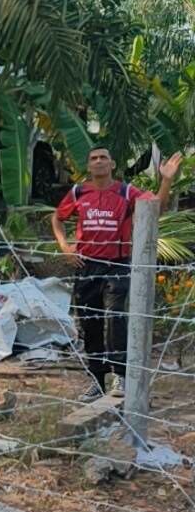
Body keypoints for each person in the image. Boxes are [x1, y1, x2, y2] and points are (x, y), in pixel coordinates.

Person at [52, 145, 182, 400]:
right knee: (89, 323)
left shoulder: (126, 191)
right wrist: (65, 247)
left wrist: (166, 180)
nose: (98, 161)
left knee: (115, 318)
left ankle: (120, 376)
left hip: (117, 264)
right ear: (88, 166)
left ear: (112, 164)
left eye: (103, 158)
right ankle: (97, 381)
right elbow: (57, 218)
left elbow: (155, 208)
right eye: (93, 158)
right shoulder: (79, 191)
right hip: (87, 266)